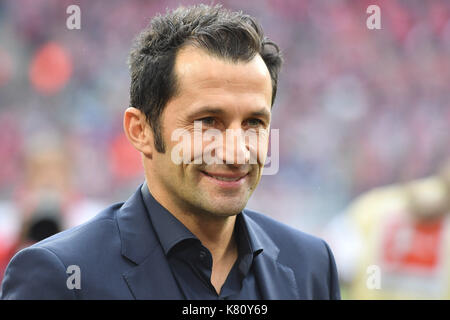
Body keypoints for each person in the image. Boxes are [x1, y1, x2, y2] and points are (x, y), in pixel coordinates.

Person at [0, 4, 340, 300]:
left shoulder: (311, 266)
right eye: (208, 121)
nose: (237, 152)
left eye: (254, 122)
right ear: (141, 131)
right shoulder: (60, 276)